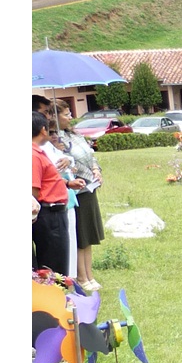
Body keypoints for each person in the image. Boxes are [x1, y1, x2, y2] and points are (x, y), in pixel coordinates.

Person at [52, 100, 105, 290]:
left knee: (89, 235)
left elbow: (90, 155)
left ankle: (89, 274)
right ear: (55, 116)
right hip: (76, 190)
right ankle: (81, 276)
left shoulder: (74, 134)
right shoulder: (55, 140)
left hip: (89, 188)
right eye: (66, 114)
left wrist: (96, 169)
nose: (70, 117)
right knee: (80, 236)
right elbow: (68, 164)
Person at [32, 112, 73, 276]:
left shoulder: (37, 152)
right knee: (54, 267)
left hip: (52, 213)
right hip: (49, 215)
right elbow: (32, 190)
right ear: (43, 130)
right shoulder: (33, 155)